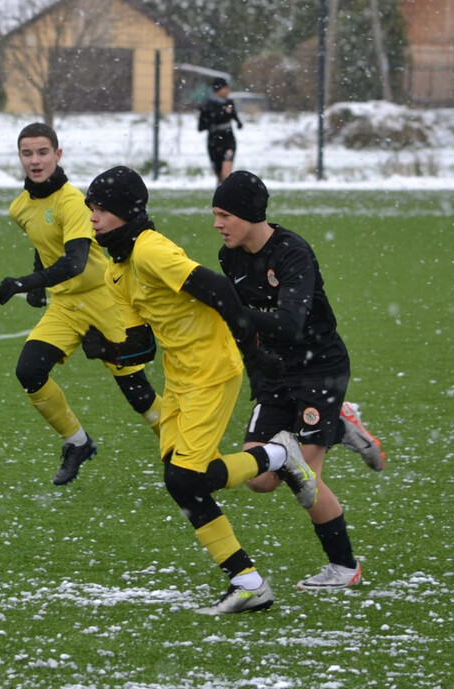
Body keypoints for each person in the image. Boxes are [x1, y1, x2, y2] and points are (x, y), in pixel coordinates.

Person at [80, 165, 316, 615]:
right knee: (183, 476)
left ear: (127, 212)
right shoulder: (118, 269)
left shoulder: (151, 252)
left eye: (102, 208)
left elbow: (219, 291)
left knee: (184, 480)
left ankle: (251, 570)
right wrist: (104, 346)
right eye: (91, 207)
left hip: (211, 368)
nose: (93, 216)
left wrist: (253, 352)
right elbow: (140, 344)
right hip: (181, 374)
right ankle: (277, 465)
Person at [212, 170, 386, 591]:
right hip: (274, 371)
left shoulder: (292, 253)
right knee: (259, 479)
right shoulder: (229, 256)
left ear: (251, 215)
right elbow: (247, 328)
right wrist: (254, 359)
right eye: (214, 215)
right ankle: (339, 425)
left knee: (300, 476)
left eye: (224, 216)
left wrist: (229, 311)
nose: (217, 224)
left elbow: (290, 323)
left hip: (318, 366)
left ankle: (345, 567)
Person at [0, 123, 164, 486]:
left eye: (43, 152)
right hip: (65, 304)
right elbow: (46, 243)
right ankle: (77, 441)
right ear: (20, 157)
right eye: (27, 153)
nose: (35, 160)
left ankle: (183, 452)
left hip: (104, 300)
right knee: (29, 372)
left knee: (137, 392)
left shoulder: (73, 201)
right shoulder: (20, 208)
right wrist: (39, 279)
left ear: (57, 155)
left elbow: (74, 261)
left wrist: (24, 284)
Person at [197, 76, 243, 184]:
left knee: (227, 168)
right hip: (214, 140)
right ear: (219, 89)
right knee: (218, 171)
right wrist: (216, 119)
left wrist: (238, 122)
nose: (229, 90)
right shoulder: (208, 105)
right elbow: (201, 127)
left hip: (228, 138)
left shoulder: (229, 102)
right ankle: (221, 193)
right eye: (226, 88)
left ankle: (226, 189)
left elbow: (234, 115)